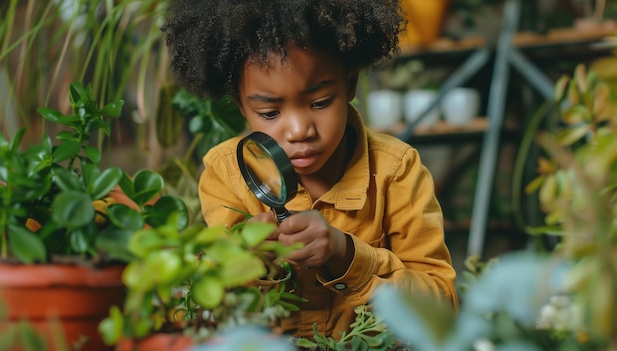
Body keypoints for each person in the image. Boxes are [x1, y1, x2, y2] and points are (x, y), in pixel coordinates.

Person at [162, 0, 458, 340]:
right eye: (270, 113)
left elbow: (442, 308)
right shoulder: (227, 174)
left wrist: (346, 255)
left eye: (319, 103)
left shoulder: (396, 171)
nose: (300, 129)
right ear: (241, 105)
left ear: (349, 84)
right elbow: (207, 311)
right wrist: (248, 264)